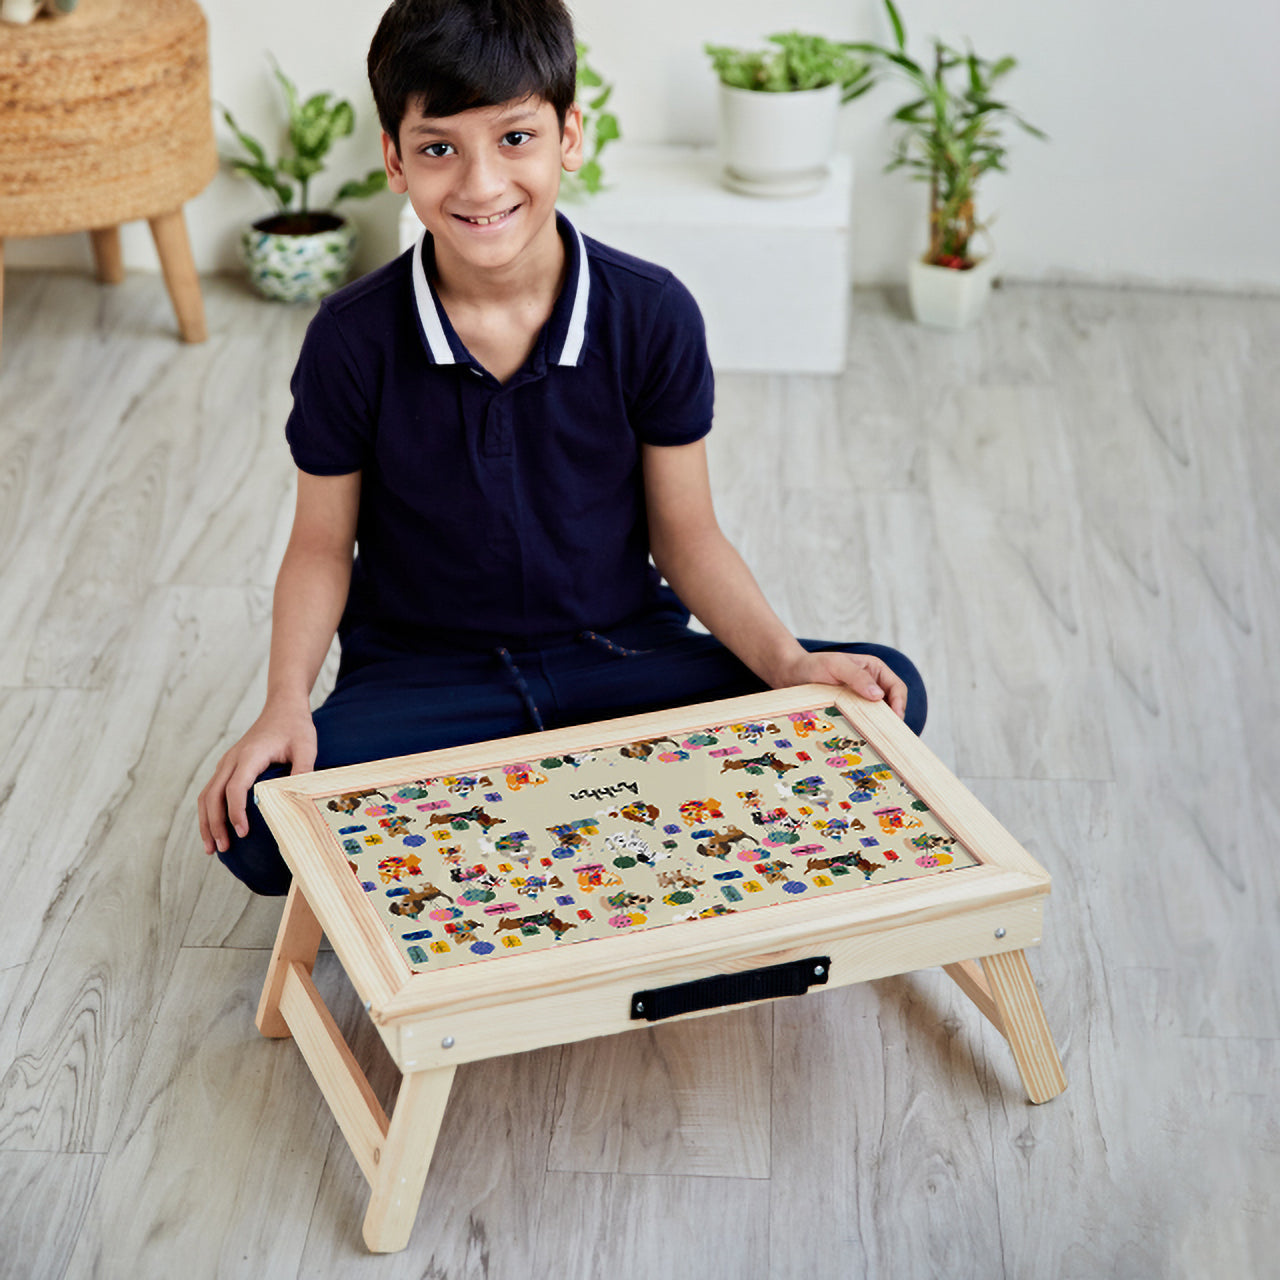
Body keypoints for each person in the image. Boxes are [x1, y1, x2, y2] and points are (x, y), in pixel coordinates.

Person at [198, 0, 927, 895]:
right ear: (393, 159)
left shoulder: (651, 312)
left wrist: (786, 664)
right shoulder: (351, 338)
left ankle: (519, 822)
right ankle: (591, 815)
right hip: (430, 681)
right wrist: (283, 704)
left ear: (568, 135)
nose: (479, 184)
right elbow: (319, 545)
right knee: (260, 820)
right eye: (438, 148)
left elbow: (687, 535)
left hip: (620, 659)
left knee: (879, 693)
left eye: (514, 138)